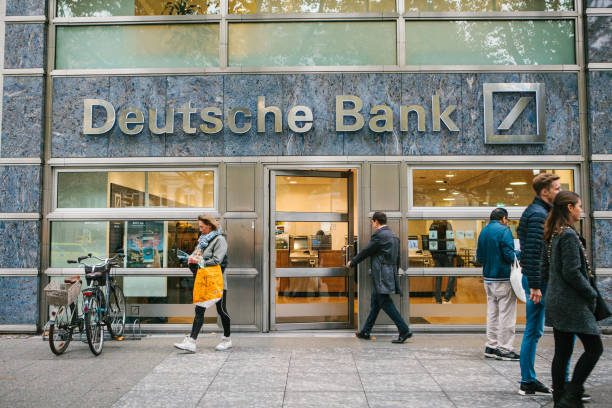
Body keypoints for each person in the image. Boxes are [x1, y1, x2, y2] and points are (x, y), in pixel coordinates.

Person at [541, 192, 603, 407]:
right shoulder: (567, 235)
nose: (581, 210)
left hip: (557, 300)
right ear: (569, 208)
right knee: (595, 348)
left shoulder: (552, 234)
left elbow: (545, 270)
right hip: (571, 302)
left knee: (562, 351)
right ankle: (573, 392)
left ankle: (560, 398)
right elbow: (572, 271)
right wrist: (590, 293)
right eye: (579, 206)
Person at [517, 173, 561, 395]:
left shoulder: (538, 212)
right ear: (545, 192)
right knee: (533, 331)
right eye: (556, 188)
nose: (559, 191)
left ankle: (529, 379)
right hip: (538, 281)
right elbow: (533, 252)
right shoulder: (537, 215)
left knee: (534, 330)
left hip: (538, 279)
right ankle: (528, 380)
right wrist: (535, 285)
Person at [348, 212, 412, 343]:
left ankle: (404, 330)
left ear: (376, 222)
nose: (372, 225)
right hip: (389, 273)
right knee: (376, 303)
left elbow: (367, 251)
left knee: (385, 303)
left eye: (372, 222)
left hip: (382, 274)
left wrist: (353, 262)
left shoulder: (379, 235)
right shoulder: (394, 236)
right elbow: (397, 257)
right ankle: (366, 331)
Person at [174, 215, 231, 353]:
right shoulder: (202, 241)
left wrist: (198, 261)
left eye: (201, 227)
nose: (199, 229)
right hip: (203, 281)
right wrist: (190, 258)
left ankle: (227, 339)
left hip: (217, 282)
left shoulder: (220, 240)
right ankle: (192, 342)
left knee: (221, 310)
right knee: (199, 310)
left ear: (209, 226)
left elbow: (217, 260)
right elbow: (197, 256)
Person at [477, 207, 520, 361]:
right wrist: (520, 253)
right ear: (503, 219)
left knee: (492, 313)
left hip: (488, 279)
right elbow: (509, 255)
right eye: (506, 220)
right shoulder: (504, 231)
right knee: (506, 314)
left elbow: (479, 257)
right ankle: (505, 348)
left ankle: (491, 346)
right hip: (502, 278)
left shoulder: (483, 231)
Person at [429, 220, 456, 303]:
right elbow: (450, 239)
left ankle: (438, 299)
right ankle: (447, 297)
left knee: (438, 277)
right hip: (446, 254)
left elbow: (430, 240)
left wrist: (433, 254)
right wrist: (451, 254)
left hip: (436, 254)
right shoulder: (447, 224)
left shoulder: (433, 225)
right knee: (452, 275)